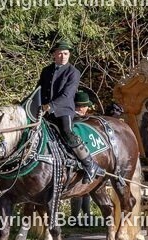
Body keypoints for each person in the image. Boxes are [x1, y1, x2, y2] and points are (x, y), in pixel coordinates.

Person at [38, 39, 103, 183]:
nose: (63, 56)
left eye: (66, 54)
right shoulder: (46, 70)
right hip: (44, 110)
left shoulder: (73, 72)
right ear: (54, 54)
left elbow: (67, 95)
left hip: (63, 110)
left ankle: (89, 164)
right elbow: (38, 90)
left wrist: (51, 106)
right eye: (60, 53)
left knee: (67, 131)